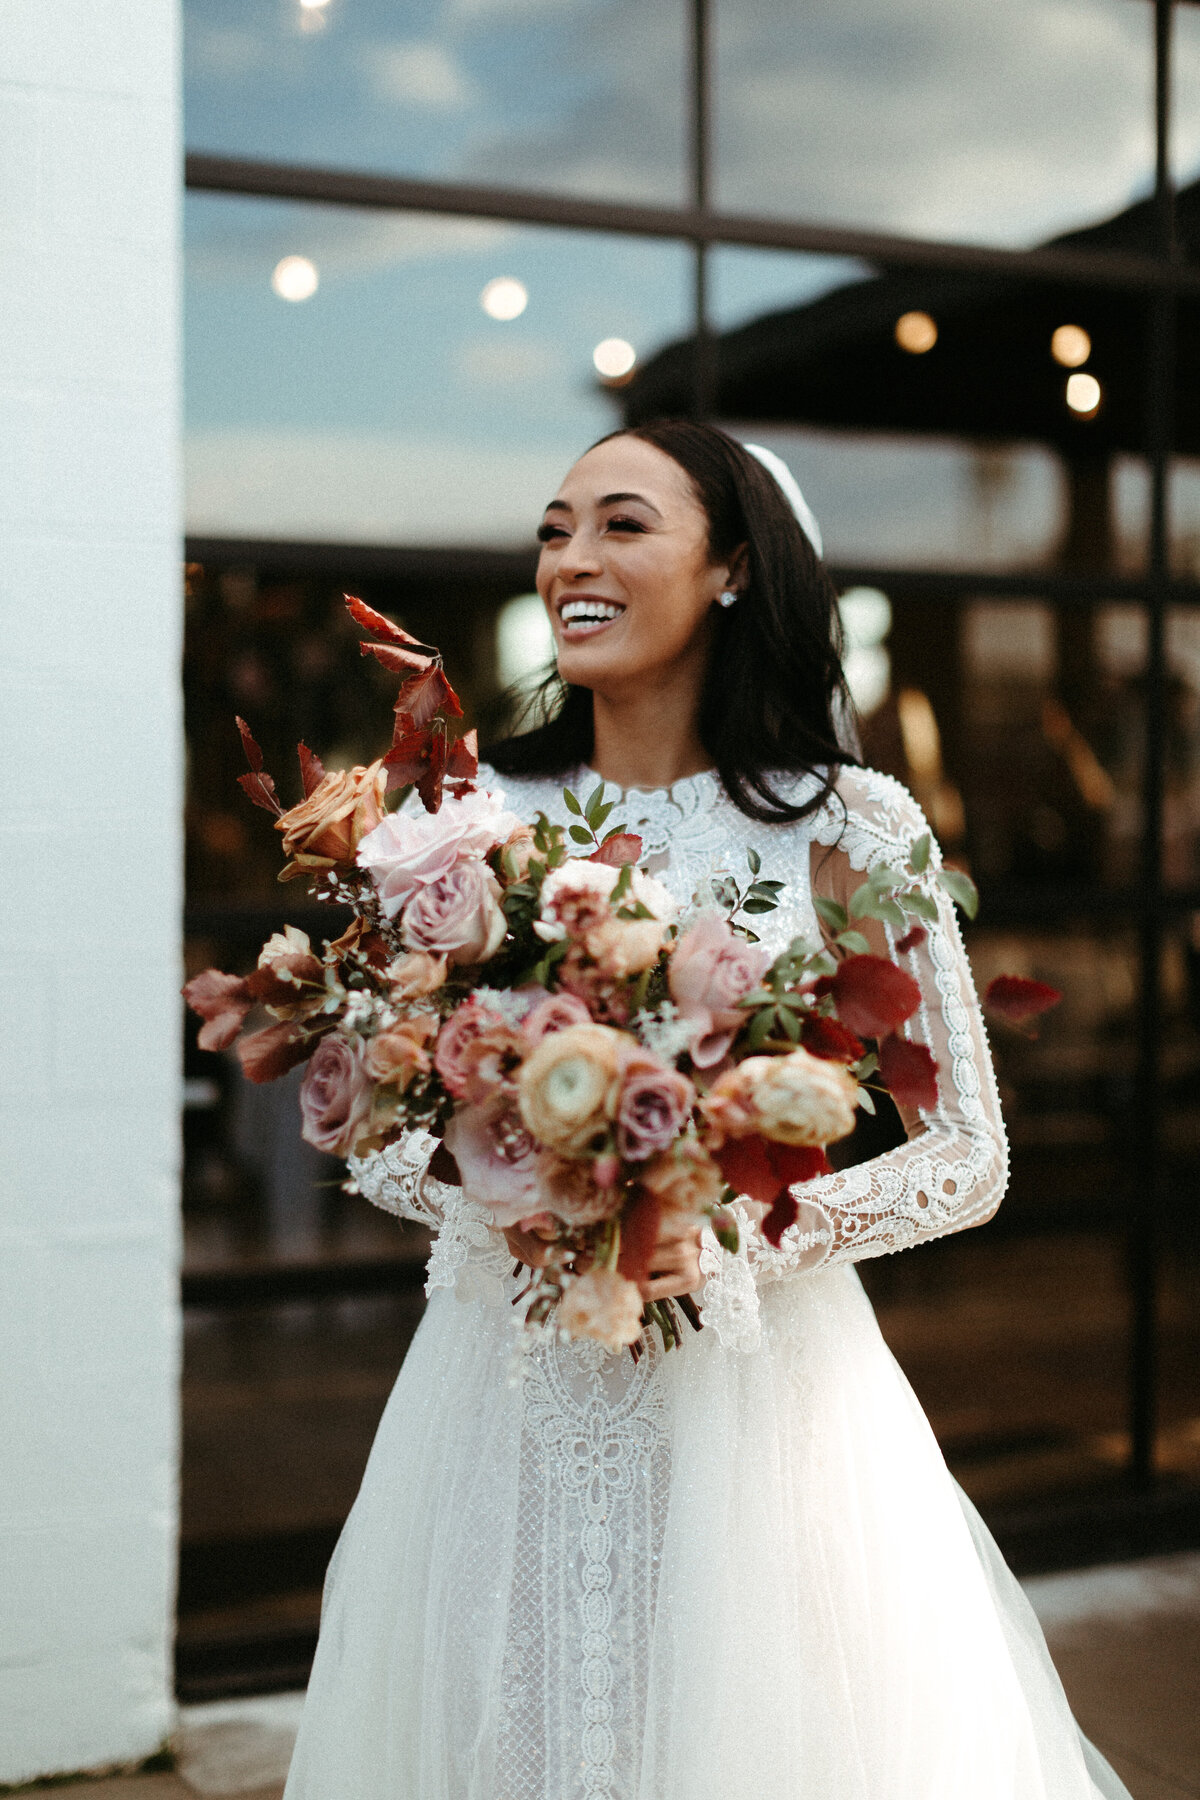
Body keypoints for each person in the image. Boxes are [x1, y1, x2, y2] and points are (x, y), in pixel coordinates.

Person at [283, 421, 1132, 1799]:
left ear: (733, 567)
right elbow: (377, 1132)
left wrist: (731, 1235)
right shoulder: (469, 820)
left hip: (764, 1403)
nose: (573, 559)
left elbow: (967, 1154)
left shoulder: (847, 825)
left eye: (622, 523)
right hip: (509, 1394)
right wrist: (535, 1199)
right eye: (556, 529)